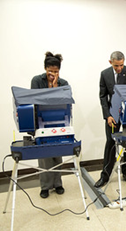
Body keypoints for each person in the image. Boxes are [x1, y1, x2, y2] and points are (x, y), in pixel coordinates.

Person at [94, 51, 126, 188]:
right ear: (110, 62)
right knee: (110, 142)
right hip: (112, 115)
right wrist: (108, 115)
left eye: (121, 65)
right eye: (116, 66)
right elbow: (103, 97)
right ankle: (105, 176)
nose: (119, 69)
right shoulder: (105, 74)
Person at [31, 51, 68, 198]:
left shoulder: (63, 83)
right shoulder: (36, 81)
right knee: (44, 156)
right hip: (41, 122)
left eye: (56, 71)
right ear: (45, 68)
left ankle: (58, 184)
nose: (53, 73)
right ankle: (45, 186)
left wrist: (55, 86)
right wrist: (50, 88)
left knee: (57, 154)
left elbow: (63, 102)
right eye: (50, 71)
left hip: (59, 121)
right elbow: (37, 101)